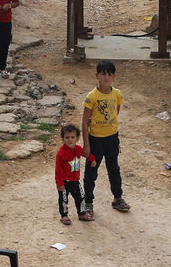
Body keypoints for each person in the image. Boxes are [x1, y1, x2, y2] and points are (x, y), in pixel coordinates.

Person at [81, 59, 129, 217]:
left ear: (114, 77)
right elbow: (84, 121)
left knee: (113, 168)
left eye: (109, 74)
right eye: (103, 74)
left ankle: (118, 198)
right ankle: (88, 202)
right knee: (91, 172)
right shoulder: (92, 96)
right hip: (95, 140)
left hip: (112, 138)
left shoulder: (117, 94)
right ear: (97, 75)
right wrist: (86, 145)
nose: (106, 77)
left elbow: (116, 111)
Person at [55, 124, 94, 224]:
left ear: (77, 138)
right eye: (67, 137)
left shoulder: (78, 149)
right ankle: (64, 216)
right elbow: (58, 170)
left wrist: (92, 159)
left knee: (80, 197)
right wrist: (60, 183)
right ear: (63, 138)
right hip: (64, 181)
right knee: (64, 199)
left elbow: (85, 154)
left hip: (75, 181)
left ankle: (81, 213)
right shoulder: (61, 153)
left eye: (72, 137)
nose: (70, 140)